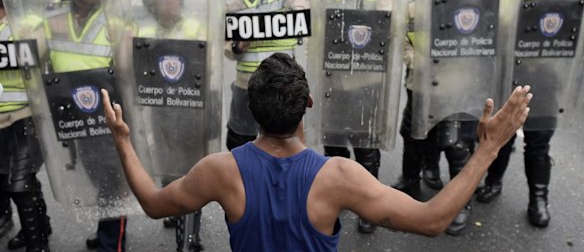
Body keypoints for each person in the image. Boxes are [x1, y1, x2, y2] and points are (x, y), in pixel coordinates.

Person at [101, 53, 531, 251]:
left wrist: (123, 141)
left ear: (251, 111)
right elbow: (433, 220)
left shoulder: (219, 171)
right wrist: (488, 148)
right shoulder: (339, 177)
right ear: (308, 103)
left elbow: (155, 206)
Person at [391, 0, 481, 235]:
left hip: (456, 87)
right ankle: (410, 181)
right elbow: (399, 37)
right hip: (418, 83)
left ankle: (461, 203)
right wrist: (418, 61)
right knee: (414, 135)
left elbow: (485, 39)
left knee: (457, 146)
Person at [46, 0, 127, 251]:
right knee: (96, 176)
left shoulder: (114, 20)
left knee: (113, 181)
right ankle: (109, 227)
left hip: (107, 114)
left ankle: (112, 242)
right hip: (74, 114)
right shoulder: (50, 21)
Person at [475, 0, 560, 228]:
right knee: (502, 134)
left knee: (538, 143)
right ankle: (494, 182)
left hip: (544, 78)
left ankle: (538, 199)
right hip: (508, 75)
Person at [315, 0, 387, 234]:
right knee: (334, 149)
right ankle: (339, 199)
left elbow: (387, 23)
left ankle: (369, 205)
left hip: (364, 83)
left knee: (365, 147)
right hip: (332, 83)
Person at [137, 0, 205, 252]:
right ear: (152, 3)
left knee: (189, 172)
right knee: (167, 167)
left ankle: (190, 236)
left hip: (190, 110)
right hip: (161, 110)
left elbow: (206, 65)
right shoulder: (145, 32)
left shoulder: (194, 28)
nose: (170, 4)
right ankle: (176, 208)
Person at [224, 0, 309, 151]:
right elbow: (227, 49)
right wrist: (237, 46)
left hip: (281, 82)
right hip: (245, 85)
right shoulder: (231, 1)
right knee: (239, 141)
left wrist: (293, 15)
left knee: (285, 143)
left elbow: (302, 11)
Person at [0, 0, 52, 252]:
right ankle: (41, 225)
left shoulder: (27, 25)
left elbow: (38, 50)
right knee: (10, 181)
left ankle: (38, 243)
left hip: (23, 117)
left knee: (21, 184)